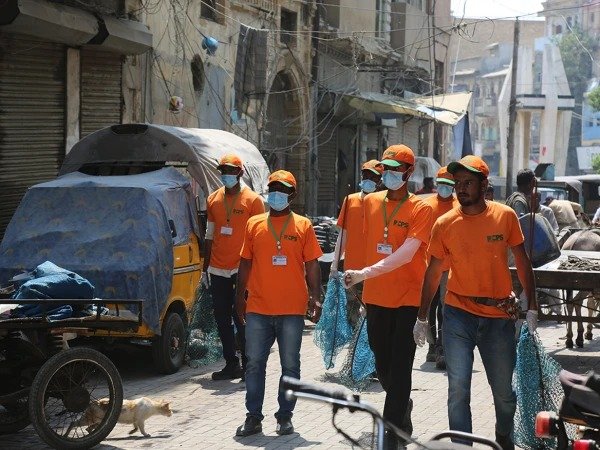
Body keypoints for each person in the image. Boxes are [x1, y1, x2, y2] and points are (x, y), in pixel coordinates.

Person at [413, 155, 537, 450]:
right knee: (458, 390)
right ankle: (461, 446)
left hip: (498, 317)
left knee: (504, 394)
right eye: (457, 183)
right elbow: (433, 272)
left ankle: (503, 435)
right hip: (458, 314)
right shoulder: (445, 223)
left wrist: (532, 307)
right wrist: (422, 317)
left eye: (468, 183)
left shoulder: (505, 216)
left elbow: (522, 262)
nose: (461, 188)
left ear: (484, 185)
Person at [343, 144, 432, 448]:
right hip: (376, 297)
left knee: (401, 365)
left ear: (409, 171)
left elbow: (407, 254)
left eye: (396, 169)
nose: (390, 174)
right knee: (382, 365)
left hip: (408, 298)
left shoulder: (421, 208)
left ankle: (391, 433)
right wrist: (355, 281)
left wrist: (364, 273)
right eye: (386, 168)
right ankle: (402, 403)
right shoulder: (369, 202)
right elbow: (361, 243)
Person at [234, 170, 323, 437]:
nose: (277, 193)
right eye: (273, 188)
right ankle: (253, 417)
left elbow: (312, 264)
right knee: (254, 364)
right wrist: (239, 298)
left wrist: (315, 297)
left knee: (290, 365)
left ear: (292, 195)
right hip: (258, 307)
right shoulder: (254, 224)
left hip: (291, 309)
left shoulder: (303, 225)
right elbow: (245, 262)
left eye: (283, 189)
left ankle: (285, 417)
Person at [203, 154, 265, 381]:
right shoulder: (213, 199)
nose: (226, 175)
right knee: (221, 317)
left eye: (231, 171)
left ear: (240, 173)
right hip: (217, 267)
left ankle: (249, 366)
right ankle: (231, 363)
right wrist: (205, 268)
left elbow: (261, 238)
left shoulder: (253, 200)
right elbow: (209, 235)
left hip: (243, 267)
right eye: (223, 171)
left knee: (242, 317)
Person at [330, 159, 384, 328]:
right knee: (352, 314)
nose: (368, 180)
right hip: (352, 269)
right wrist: (334, 266)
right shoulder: (350, 200)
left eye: (373, 177)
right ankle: (354, 345)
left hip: (376, 270)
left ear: (380, 180)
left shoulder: (385, 203)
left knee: (374, 316)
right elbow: (343, 235)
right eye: (365, 175)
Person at [422, 166, 459, 370]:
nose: (445, 187)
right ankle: (431, 344)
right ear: (437, 184)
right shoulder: (426, 206)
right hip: (428, 265)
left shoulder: (459, 207)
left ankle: (442, 347)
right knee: (429, 306)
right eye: (442, 184)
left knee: (446, 309)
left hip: (450, 267)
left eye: (448, 184)